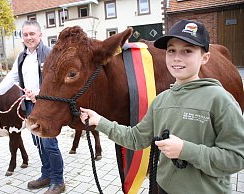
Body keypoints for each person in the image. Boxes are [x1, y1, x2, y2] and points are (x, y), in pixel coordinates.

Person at [80, 19, 244, 194]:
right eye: (171, 50)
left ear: (205, 58)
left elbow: (236, 158)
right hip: (163, 188)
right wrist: (100, 122)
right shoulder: (160, 101)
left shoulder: (220, 100)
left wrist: (185, 150)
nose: (177, 57)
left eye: (187, 51)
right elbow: (136, 139)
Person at [0, 20, 65, 194]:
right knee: (39, 143)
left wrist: (40, 94)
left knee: (49, 143)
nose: (29, 37)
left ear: (40, 35)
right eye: (25, 34)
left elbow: (59, 83)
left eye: (32, 34)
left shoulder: (50, 55)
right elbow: (11, 78)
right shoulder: (22, 57)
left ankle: (58, 181)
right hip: (29, 106)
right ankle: (47, 175)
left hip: (47, 106)